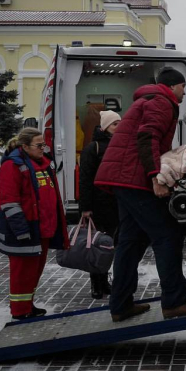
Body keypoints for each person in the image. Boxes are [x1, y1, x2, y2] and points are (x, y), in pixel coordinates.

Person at [94, 67, 186, 322]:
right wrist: (155, 176)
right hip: (134, 179)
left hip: (124, 178)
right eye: (183, 88)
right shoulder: (161, 101)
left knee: (131, 242)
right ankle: (175, 302)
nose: (184, 92)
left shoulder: (150, 99)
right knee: (168, 235)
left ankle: (121, 305)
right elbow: (148, 137)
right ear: (174, 86)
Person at [0, 127, 69, 319]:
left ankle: (28, 304)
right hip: (25, 230)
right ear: (25, 146)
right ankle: (20, 311)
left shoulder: (43, 164)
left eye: (44, 144)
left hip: (42, 229)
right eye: (39, 145)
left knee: (34, 271)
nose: (43, 148)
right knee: (22, 273)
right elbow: (9, 201)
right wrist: (21, 230)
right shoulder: (12, 166)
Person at [78, 110, 121, 299]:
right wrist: (85, 208)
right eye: (115, 124)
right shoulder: (92, 148)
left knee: (110, 246)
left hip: (116, 204)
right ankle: (96, 283)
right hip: (98, 205)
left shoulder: (121, 145)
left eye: (120, 123)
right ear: (105, 127)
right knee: (97, 246)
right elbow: (85, 180)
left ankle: (105, 281)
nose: (118, 127)